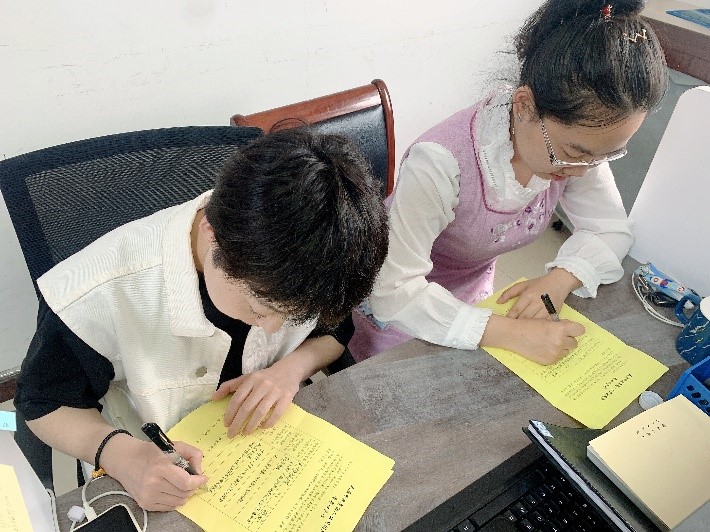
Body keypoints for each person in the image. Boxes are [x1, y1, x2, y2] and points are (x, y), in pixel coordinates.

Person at [13, 128, 388, 510]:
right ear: (212, 232)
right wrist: (119, 453)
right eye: (259, 308)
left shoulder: (314, 266)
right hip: (148, 463)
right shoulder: (97, 292)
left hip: (262, 457)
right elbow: (42, 402)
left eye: (294, 317)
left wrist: (289, 370)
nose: (275, 328)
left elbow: (335, 332)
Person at [349, 0, 667, 365]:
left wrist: (560, 279)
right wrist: (509, 333)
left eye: (606, 155)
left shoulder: (576, 150)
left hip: (477, 301)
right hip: (403, 317)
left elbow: (611, 229)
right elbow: (394, 292)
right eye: (575, 153)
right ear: (525, 105)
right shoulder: (439, 164)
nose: (582, 170)